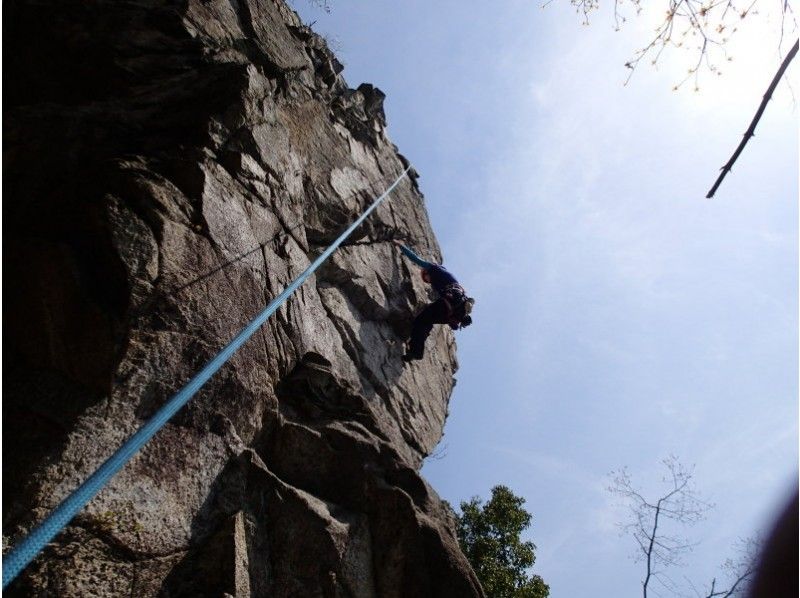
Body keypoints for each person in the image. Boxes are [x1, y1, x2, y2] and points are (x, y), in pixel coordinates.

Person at [393, 239, 474, 362]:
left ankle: (416, 351)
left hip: (449, 304)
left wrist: (401, 246)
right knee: (426, 322)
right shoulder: (447, 280)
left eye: (426, 278)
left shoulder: (435, 269)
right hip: (451, 312)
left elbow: (416, 259)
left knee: (421, 321)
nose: (427, 281)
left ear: (427, 273)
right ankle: (414, 351)